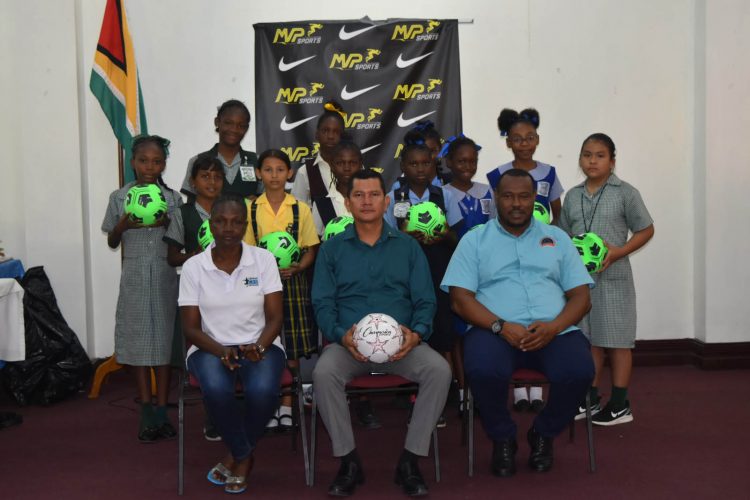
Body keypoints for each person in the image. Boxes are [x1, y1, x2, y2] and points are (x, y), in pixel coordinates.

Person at [441, 168, 594, 476]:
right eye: (508, 196)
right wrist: (499, 325)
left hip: (554, 331)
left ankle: (544, 433)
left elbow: (581, 297)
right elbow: (460, 299)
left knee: (580, 371)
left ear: (533, 199)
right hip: (494, 331)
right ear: (496, 198)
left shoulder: (558, 239)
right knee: (483, 369)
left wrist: (554, 326)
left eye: (524, 197)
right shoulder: (474, 241)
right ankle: (503, 436)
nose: (516, 203)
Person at [312, 169, 452, 497]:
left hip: (403, 345)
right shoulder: (332, 250)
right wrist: (338, 333)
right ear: (347, 203)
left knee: (439, 370)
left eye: (374, 194)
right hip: (349, 346)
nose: (367, 201)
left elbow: (425, 300)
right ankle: (348, 461)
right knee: (322, 373)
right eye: (358, 195)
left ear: (386, 201)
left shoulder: (408, 246)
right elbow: (321, 302)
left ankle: (410, 460)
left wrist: (417, 334)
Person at [179, 195, 286, 494]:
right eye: (221, 221)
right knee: (216, 389)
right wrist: (220, 350)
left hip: (260, 344)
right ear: (210, 224)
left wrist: (260, 347)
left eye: (237, 221)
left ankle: (235, 456)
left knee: (263, 391)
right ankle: (243, 455)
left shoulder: (263, 260)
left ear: (245, 225)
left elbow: (275, 317)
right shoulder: (193, 267)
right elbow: (189, 327)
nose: (229, 228)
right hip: (208, 347)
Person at [559, 133, 654, 426]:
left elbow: (646, 229)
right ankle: (588, 397)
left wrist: (618, 252)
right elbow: (563, 234)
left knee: (618, 341)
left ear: (612, 161)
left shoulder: (625, 192)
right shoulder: (573, 196)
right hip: (580, 282)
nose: (592, 160)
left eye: (600, 155)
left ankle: (619, 403)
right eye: (587, 154)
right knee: (589, 340)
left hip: (614, 277)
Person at [101, 135, 183, 442]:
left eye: (157, 161)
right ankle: (146, 411)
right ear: (133, 163)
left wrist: (164, 223)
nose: (150, 166)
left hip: (163, 273)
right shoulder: (119, 197)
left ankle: (162, 409)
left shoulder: (172, 198)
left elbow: (179, 241)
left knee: (162, 343)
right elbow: (112, 240)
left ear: (164, 164)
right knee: (137, 344)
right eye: (144, 160)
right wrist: (123, 225)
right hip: (134, 273)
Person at [485, 108, 563, 411]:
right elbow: (495, 213)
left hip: (540, 245)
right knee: (514, 301)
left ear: (537, 139)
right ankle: (520, 389)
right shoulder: (497, 174)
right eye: (517, 139)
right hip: (510, 244)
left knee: (539, 301)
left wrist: (550, 240)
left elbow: (557, 212)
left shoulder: (550, 172)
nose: (524, 143)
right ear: (508, 142)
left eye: (529, 138)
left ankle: (535, 389)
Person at [244, 149, 320, 432]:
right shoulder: (252, 208)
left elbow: (312, 248)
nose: (274, 175)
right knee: (265, 342)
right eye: (268, 169)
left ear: (289, 174)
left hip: (293, 282)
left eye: (280, 170)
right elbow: (247, 251)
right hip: (262, 288)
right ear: (259, 173)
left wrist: (299, 267)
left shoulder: (300, 208)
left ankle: (287, 404)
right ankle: (270, 404)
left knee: (292, 347)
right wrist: (262, 273)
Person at [384, 134, 456, 428]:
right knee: (412, 330)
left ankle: (440, 399)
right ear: (403, 166)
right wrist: (403, 238)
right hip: (406, 272)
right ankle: (413, 395)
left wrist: (442, 235)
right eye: (413, 164)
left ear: (433, 164)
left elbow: (456, 236)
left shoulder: (445, 195)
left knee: (439, 332)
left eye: (426, 163)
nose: (420, 169)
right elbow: (387, 235)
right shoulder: (395, 194)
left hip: (438, 269)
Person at [163, 153, 223, 441]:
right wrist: (195, 256)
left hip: (227, 291)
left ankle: (230, 407)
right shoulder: (182, 214)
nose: (211, 181)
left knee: (228, 343)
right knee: (206, 348)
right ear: (193, 181)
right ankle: (213, 413)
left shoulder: (231, 210)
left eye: (216, 176)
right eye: (205, 176)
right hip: (195, 293)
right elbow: (172, 256)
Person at [440, 134, 493, 412]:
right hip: (457, 269)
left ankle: (484, 388)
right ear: (449, 161)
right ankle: (463, 392)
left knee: (483, 328)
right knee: (459, 332)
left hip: (486, 271)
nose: (467, 166)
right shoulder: (442, 193)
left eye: (472, 161)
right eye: (461, 160)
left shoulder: (488, 191)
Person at [180, 99, 261, 201]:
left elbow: (266, 202)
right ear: (217, 122)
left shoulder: (258, 161)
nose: (234, 129)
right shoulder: (197, 161)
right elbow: (192, 207)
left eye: (241, 125)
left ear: (246, 128)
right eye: (228, 123)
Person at [291, 101, 345, 206]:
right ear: (317, 134)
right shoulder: (305, 171)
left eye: (336, 132)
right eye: (325, 131)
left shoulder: (354, 166)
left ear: (342, 136)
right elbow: (298, 210)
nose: (330, 136)